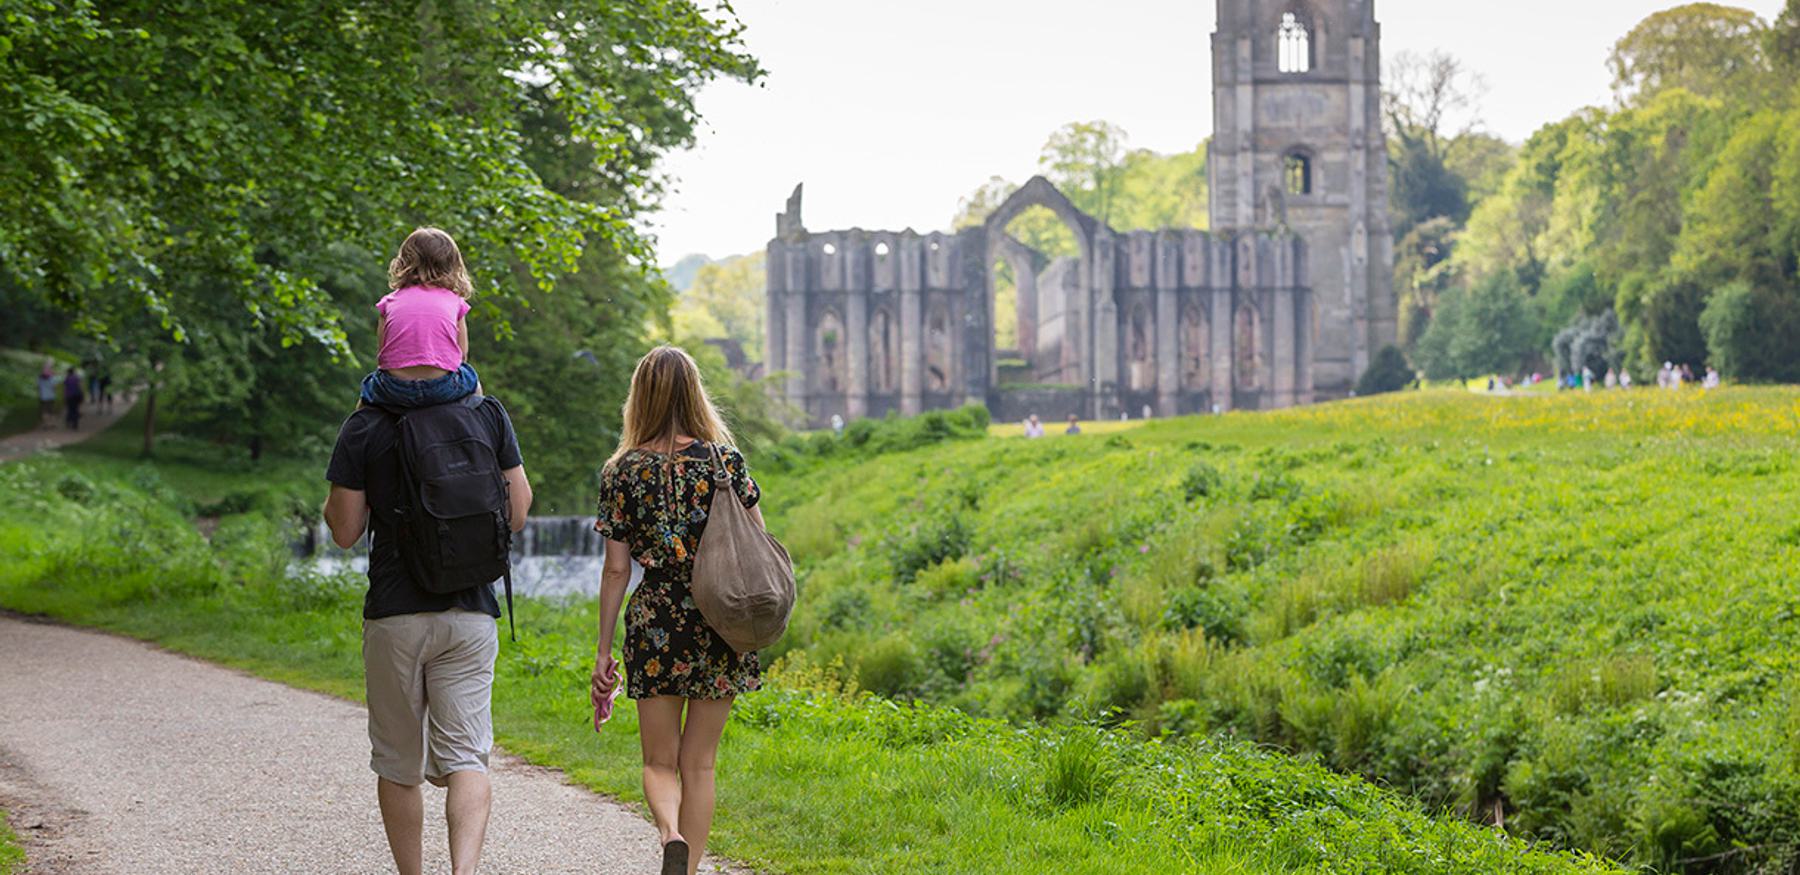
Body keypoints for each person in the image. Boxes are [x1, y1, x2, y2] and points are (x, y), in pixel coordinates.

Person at [322, 367, 532, 875]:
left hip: (396, 614)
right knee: (466, 758)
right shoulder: (486, 415)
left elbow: (346, 530)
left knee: (398, 762)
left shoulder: (366, 423)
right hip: (471, 611)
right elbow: (519, 510)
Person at [591, 346, 765, 875]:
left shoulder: (623, 471)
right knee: (701, 763)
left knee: (658, 762)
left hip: (656, 621)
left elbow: (617, 570)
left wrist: (603, 650)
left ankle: (669, 833)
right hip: (721, 621)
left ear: (639, 397)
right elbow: (757, 542)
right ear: (695, 392)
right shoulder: (724, 462)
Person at [360, 227, 482, 410]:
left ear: (403, 263)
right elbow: (462, 356)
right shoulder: (455, 302)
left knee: (367, 392)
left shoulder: (389, 302)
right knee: (474, 382)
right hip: (442, 387)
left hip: (396, 388)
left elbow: (383, 354)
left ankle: (351, 435)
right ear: (452, 265)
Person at [61, 366, 84, 431]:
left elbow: (65, 388)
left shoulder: (67, 378)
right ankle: (75, 424)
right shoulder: (76, 378)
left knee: (70, 409)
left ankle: (68, 422)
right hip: (76, 395)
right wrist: (82, 394)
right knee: (75, 409)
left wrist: (64, 396)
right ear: (73, 372)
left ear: (68, 372)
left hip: (69, 396)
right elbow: (80, 386)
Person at [36, 361, 56, 428]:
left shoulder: (39, 378)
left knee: (44, 411)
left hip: (43, 396)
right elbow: (53, 386)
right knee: (50, 411)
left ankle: (46, 424)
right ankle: (51, 423)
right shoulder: (51, 378)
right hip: (50, 396)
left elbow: (38, 387)